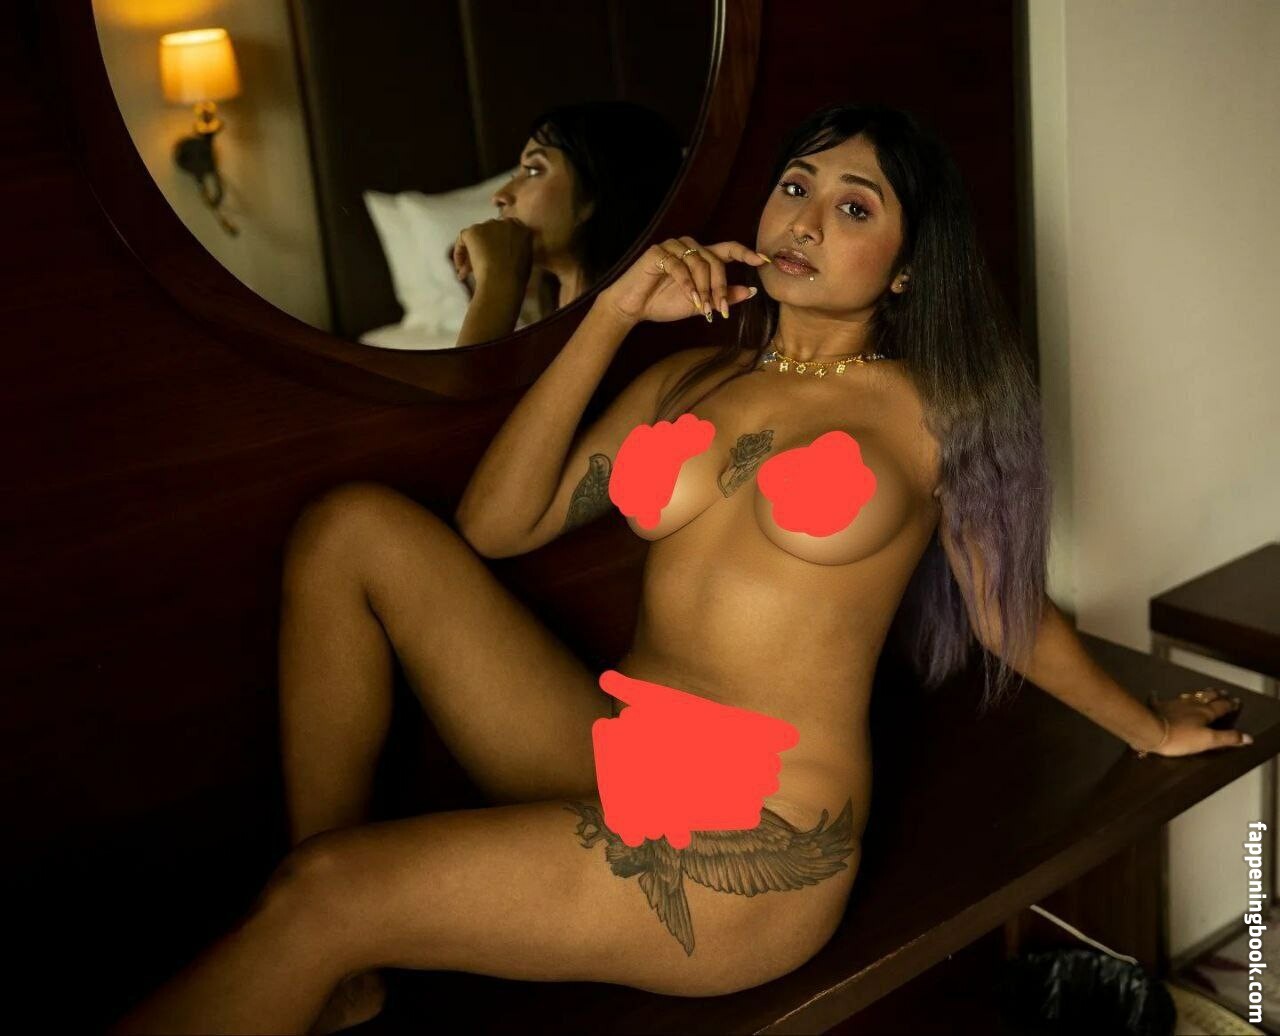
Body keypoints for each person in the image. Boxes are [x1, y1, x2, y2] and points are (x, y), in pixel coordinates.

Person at [108, 102, 1248, 1034]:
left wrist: (1146, 727)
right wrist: (613, 313)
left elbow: (1004, 611)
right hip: (611, 751)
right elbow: (496, 526)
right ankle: (341, 973)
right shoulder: (690, 378)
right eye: (795, 185)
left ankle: (326, 930)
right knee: (352, 528)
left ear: (906, 269)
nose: (804, 218)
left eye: (853, 206)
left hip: (747, 843)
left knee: (325, 895)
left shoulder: (930, 413)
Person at [451, 100, 684, 348]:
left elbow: (468, 375)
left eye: (532, 170)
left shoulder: (630, 340)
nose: (499, 196)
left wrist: (497, 282)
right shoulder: (553, 324)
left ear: (594, 194)